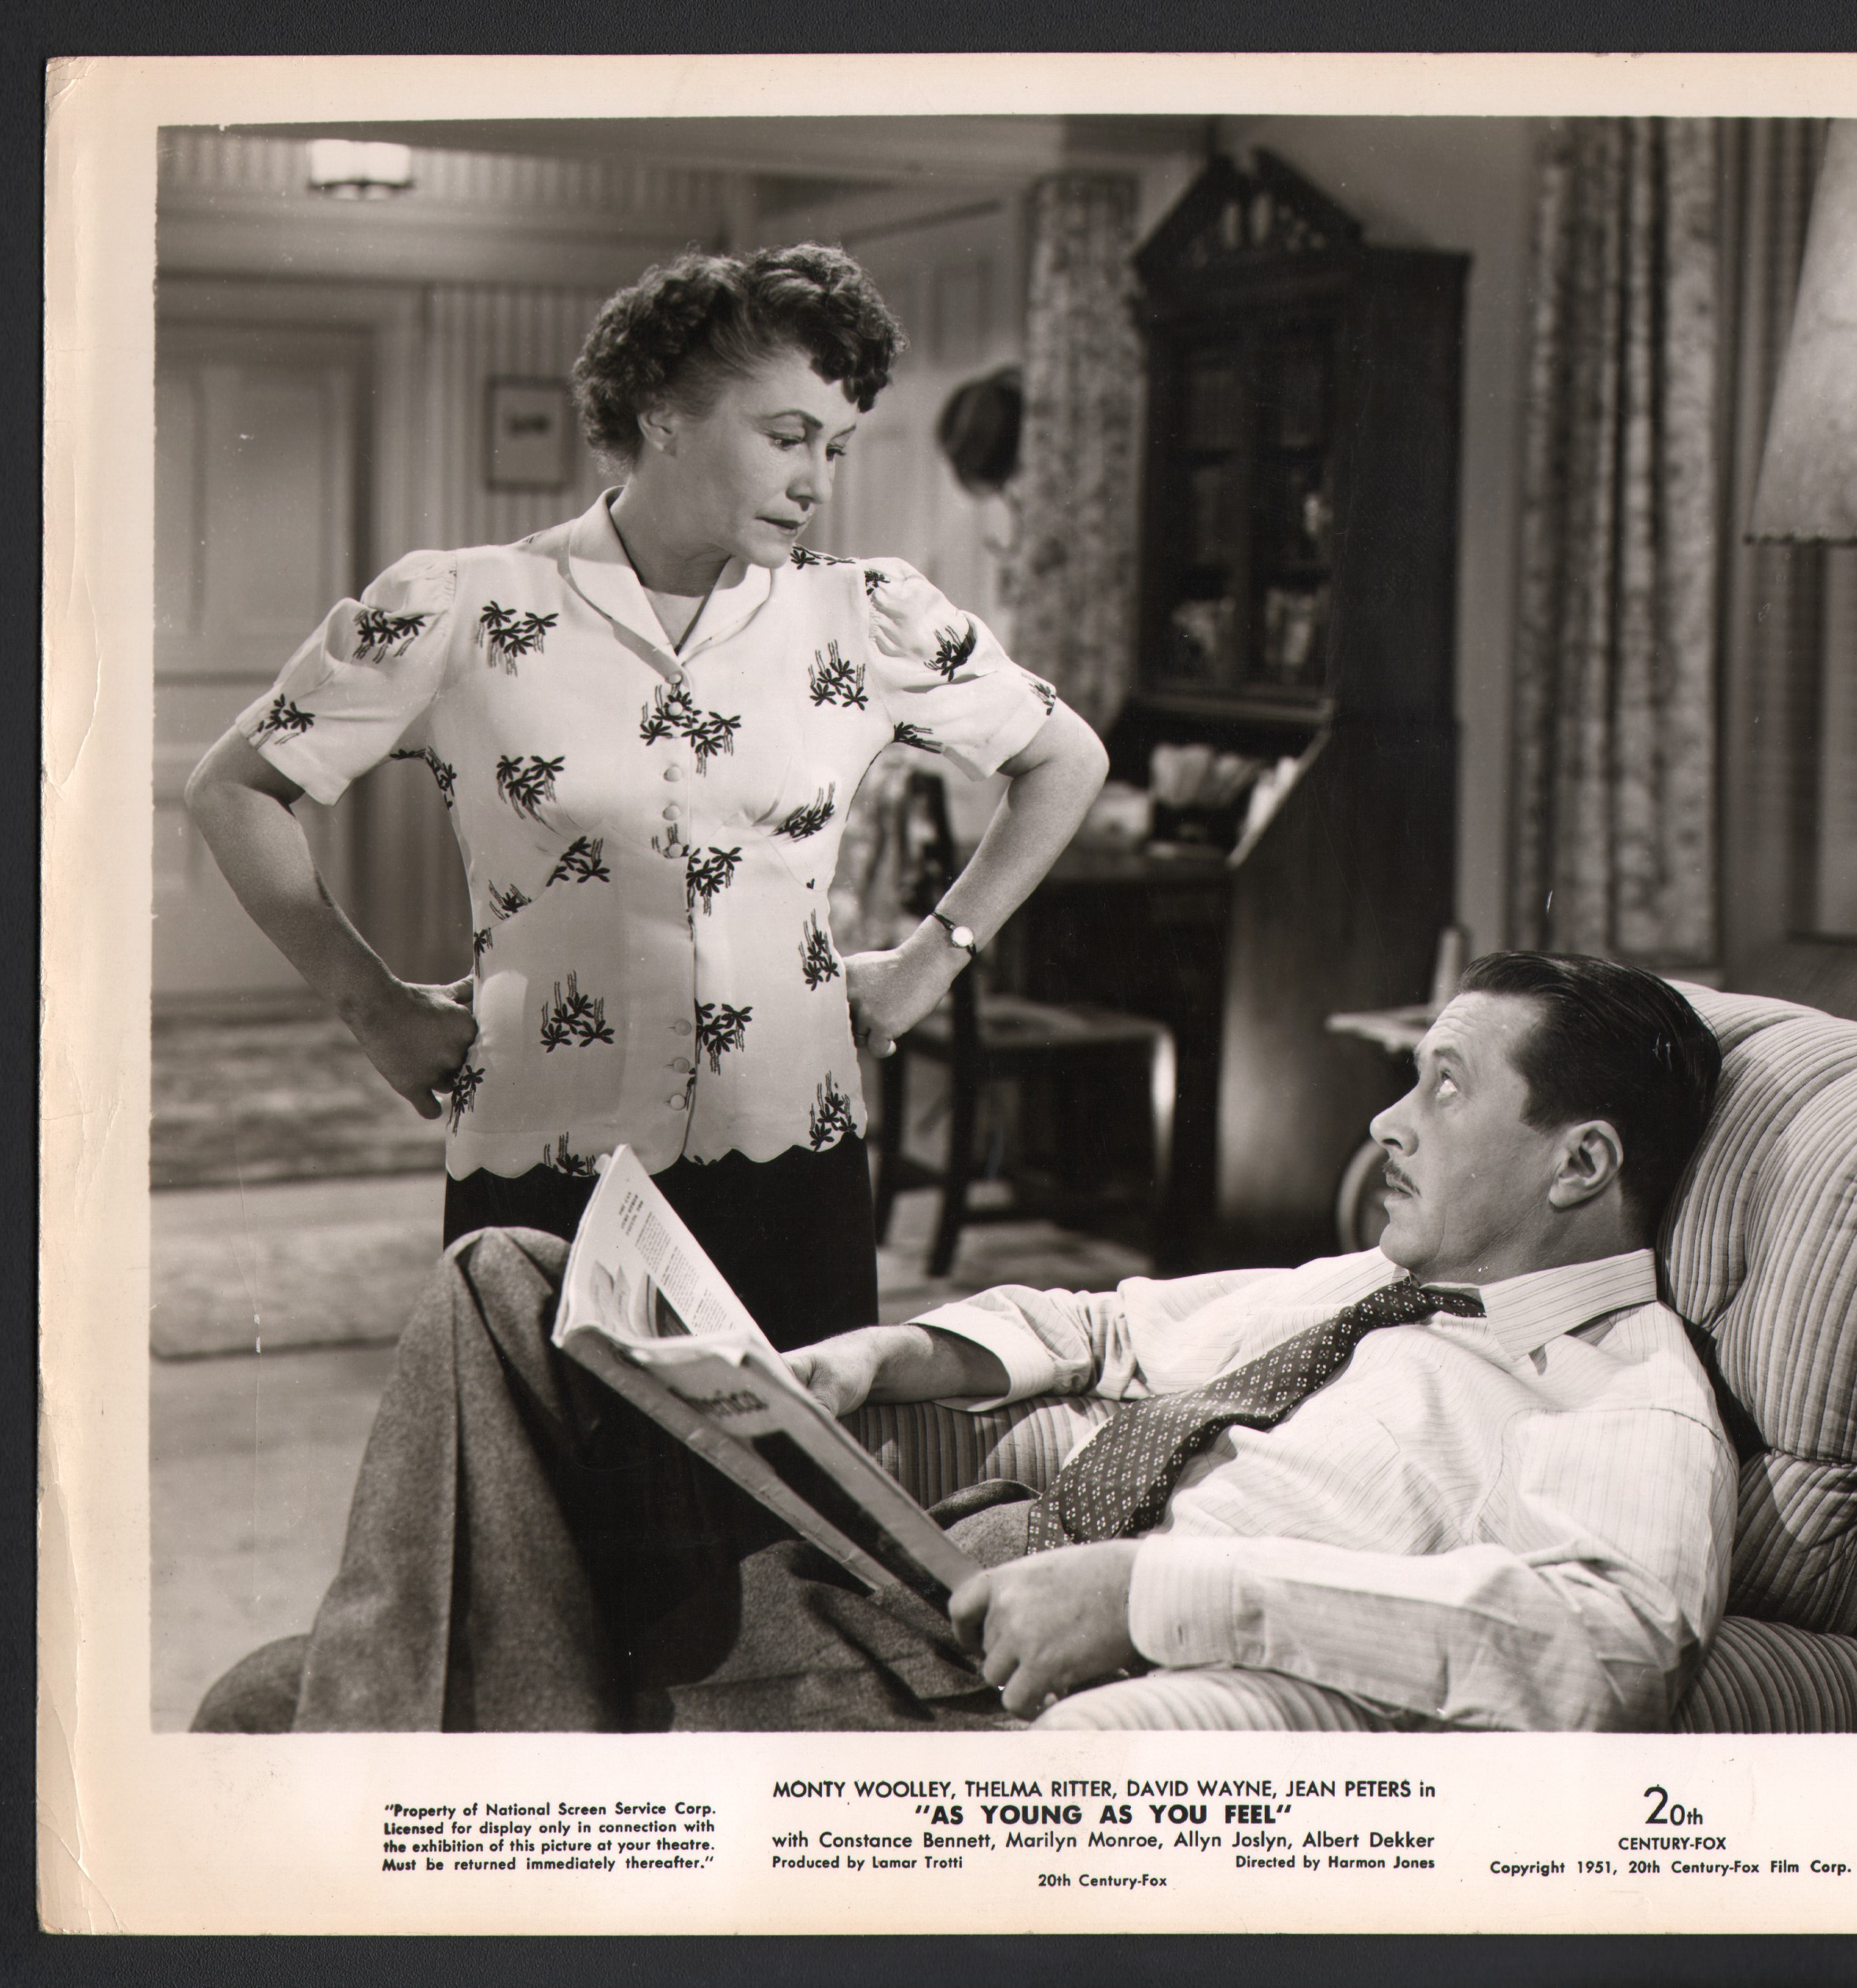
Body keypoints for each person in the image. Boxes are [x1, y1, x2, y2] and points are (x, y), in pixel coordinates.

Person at [195, 953, 1735, 1735]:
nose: (1388, 1120)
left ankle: (490, 1835)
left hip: (963, 1689)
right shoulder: (1360, 1280)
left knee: (281, 1704)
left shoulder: (1619, 1397)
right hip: (879, 1570)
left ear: (1581, 1163)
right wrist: (891, 1359)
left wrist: (1144, 1591)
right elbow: (1098, 1323)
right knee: (509, 1279)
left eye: (1444, 1087)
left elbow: (1601, 1645)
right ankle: (506, 1787)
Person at [183, 245, 1108, 1349]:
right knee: (546, 1460)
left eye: (836, 446)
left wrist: (934, 957)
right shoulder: (464, 607)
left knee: (792, 1456)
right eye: (786, 437)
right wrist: (371, 1005)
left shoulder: (864, 617)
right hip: (544, 1148)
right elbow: (233, 790)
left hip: (791, 1155)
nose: (817, 483)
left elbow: (1066, 759)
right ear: (664, 414)